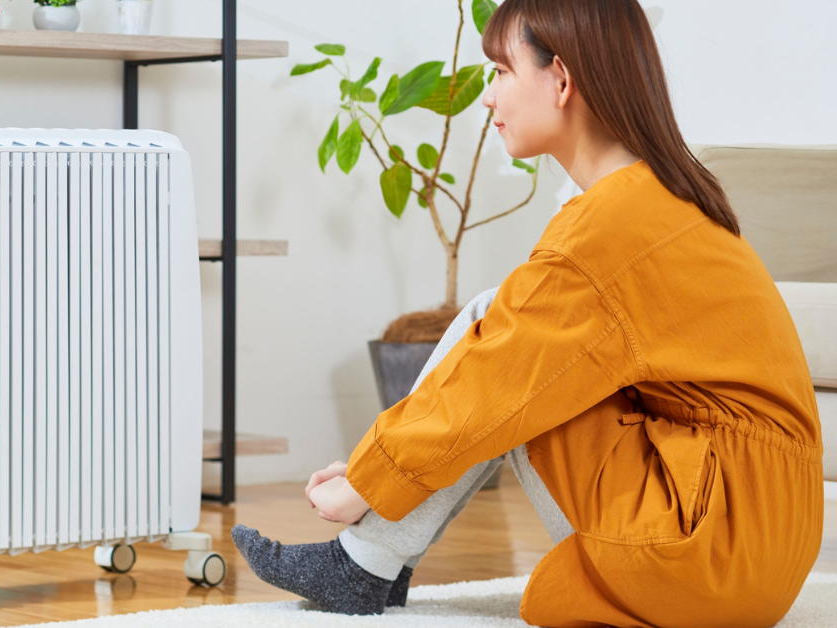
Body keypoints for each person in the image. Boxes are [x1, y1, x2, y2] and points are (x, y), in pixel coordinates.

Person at [231, 1, 824, 626]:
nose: (489, 97)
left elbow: (497, 377)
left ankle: (363, 564)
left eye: (501, 71)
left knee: (512, 360)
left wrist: (367, 481)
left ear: (560, 80)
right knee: (510, 333)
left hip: (704, 552)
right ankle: (369, 560)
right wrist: (373, 471)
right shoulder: (663, 198)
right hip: (762, 545)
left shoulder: (610, 228)